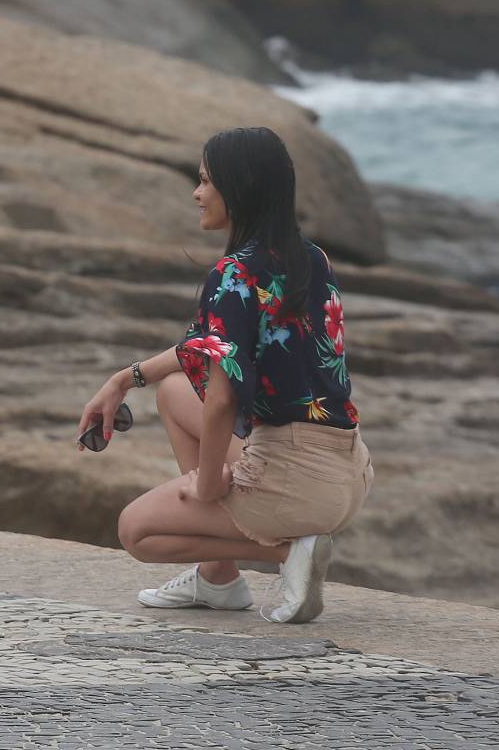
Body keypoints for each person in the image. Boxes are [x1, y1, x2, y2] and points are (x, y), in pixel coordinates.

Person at [77, 126, 371, 625]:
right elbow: (201, 347)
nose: (197, 193)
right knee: (173, 391)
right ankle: (218, 578)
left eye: (206, 181)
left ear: (241, 188)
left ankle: (290, 553)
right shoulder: (311, 257)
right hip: (348, 470)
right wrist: (123, 379)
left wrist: (209, 483)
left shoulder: (232, 273)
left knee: (137, 532)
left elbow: (221, 401)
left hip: (293, 479)